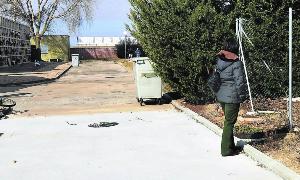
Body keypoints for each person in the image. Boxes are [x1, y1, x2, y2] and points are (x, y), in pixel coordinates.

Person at [215, 38, 248, 156]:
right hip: (232, 97)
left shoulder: (219, 59)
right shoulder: (236, 63)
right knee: (229, 122)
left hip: (222, 95)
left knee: (228, 121)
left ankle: (231, 146)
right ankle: (225, 150)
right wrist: (243, 96)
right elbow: (240, 82)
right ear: (234, 48)